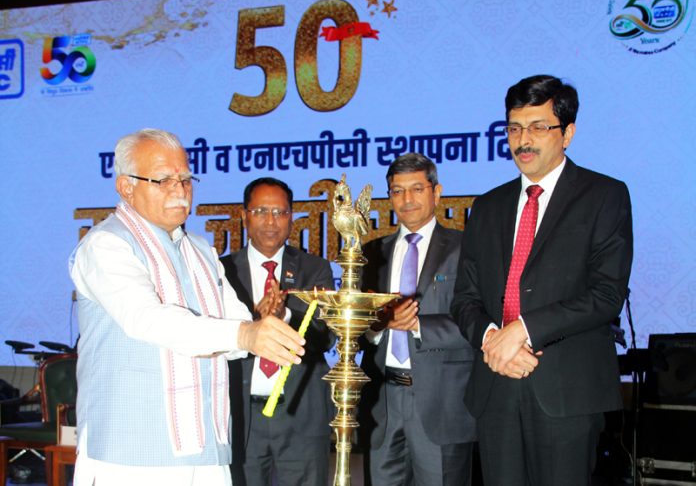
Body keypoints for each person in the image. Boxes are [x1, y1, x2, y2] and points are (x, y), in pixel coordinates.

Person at [69, 129, 305, 486]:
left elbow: (237, 327)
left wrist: (267, 323)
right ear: (126, 187)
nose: (179, 191)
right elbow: (147, 320)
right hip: (130, 451)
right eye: (163, 180)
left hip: (205, 445)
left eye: (185, 179)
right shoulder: (105, 245)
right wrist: (246, 333)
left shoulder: (200, 251)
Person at [450, 75, 633, 486]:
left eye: (538, 127)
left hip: (566, 391)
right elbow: (465, 299)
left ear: (567, 133)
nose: (523, 141)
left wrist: (523, 331)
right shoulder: (488, 205)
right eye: (514, 128)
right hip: (496, 384)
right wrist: (494, 340)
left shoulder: (604, 196)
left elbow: (606, 294)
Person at [360, 153, 477, 486]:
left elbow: (480, 321)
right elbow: (359, 330)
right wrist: (380, 325)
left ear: (436, 193)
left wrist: (418, 324)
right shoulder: (372, 254)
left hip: (442, 404)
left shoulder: (466, 247)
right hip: (383, 400)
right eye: (397, 191)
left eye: (416, 189)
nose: (406, 199)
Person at [220, 177, 335, 486]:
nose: (271, 221)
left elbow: (327, 336)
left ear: (291, 218)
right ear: (244, 216)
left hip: (300, 413)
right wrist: (252, 324)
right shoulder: (222, 271)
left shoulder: (315, 269)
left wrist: (284, 315)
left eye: (280, 212)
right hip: (240, 415)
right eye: (261, 211)